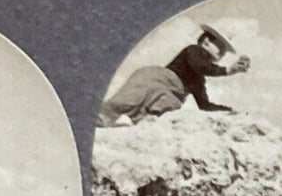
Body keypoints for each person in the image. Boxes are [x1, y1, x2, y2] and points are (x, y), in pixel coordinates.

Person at [97, 24, 250, 126]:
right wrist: (228, 71)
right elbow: (200, 65)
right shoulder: (194, 51)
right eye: (221, 47)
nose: (222, 53)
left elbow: (204, 105)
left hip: (169, 93)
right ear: (207, 41)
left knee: (162, 112)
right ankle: (100, 118)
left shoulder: (198, 79)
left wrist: (229, 111)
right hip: (153, 78)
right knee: (127, 101)